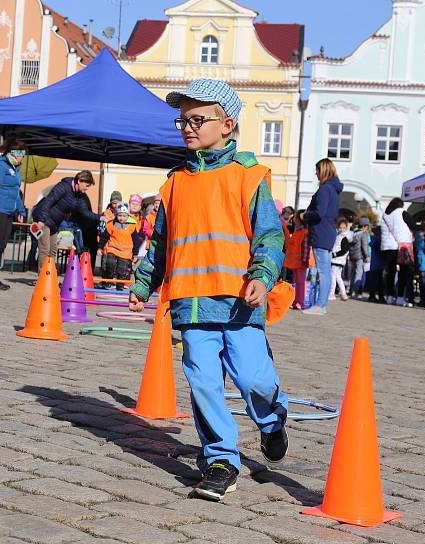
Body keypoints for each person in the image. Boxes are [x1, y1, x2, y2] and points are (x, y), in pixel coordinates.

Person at [129, 79, 288, 502]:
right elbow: (161, 242)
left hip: (240, 301)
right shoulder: (174, 183)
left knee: (254, 379)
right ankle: (220, 460)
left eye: (198, 119)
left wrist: (262, 275)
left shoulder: (249, 177)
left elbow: (270, 236)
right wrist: (144, 283)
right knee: (203, 385)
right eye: (183, 120)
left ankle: (272, 420)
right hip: (191, 303)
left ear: (228, 124)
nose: (188, 127)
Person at [32, 170, 104, 267]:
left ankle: (50, 276)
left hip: (54, 223)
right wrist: (41, 220)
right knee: (45, 248)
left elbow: (85, 212)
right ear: (79, 181)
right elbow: (48, 201)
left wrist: (100, 217)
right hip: (44, 219)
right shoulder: (64, 187)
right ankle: (42, 278)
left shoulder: (80, 196)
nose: (87, 188)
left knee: (53, 250)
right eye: (86, 185)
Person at [0, 138, 27, 290]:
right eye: (23, 154)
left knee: (2, 244)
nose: (24, 157)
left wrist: (21, 210)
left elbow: (16, 191)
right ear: (15, 154)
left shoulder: (14, 168)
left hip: (10, 210)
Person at [302, 158, 343, 315]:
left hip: (321, 232)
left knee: (324, 271)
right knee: (325, 270)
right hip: (327, 231)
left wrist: (305, 215)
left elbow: (319, 213)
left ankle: (320, 305)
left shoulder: (325, 189)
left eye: (318, 170)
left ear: (324, 171)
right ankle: (321, 304)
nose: (316, 174)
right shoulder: (333, 189)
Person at [379, 197, 414, 306]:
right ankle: (399, 297)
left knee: (390, 272)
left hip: (386, 247)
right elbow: (412, 224)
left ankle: (389, 297)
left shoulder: (385, 214)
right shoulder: (401, 212)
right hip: (400, 245)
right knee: (403, 272)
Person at [102, 203, 139, 289]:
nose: (122, 218)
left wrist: (135, 254)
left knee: (122, 269)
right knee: (110, 264)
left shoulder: (131, 226)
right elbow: (105, 236)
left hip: (125, 253)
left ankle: (120, 285)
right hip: (112, 249)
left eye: (124, 216)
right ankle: (108, 281)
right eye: (119, 216)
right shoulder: (111, 224)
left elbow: (136, 241)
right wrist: (100, 247)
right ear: (116, 215)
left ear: (128, 216)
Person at [283, 210, 310, 309]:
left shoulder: (304, 232)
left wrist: (304, 261)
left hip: (301, 262)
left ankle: (300, 302)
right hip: (296, 262)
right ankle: (297, 301)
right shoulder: (298, 231)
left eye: (296, 218)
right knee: (297, 281)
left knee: (301, 282)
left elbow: (306, 248)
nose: (294, 219)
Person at [348, 217, 370, 298]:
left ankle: (350, 290)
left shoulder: (353, 233)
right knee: (358, 274)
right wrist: (367, 256)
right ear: (364, 226)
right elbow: (365, 246)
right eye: (367, 226)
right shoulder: (363, 235)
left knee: (352, 274)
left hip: (352, 256)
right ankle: (355, 291)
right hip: (359, 256)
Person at [329, 218, 350, 301]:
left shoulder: (344, 238)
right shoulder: (338, 236)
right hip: (338, 260)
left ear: (346, 228)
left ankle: (332, 293)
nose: (341, 229)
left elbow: (345, 250)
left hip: (337, 260)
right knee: (338, 277)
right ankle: (343, 293)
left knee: (333, 276)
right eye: (340, 227)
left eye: (343, 228)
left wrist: (335, 254)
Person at [414, 225, 425, 308]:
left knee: (424, 284)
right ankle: (424, 300)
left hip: (424, 265)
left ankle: (424, 301)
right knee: (423, 283)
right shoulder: (421, 240)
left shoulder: (422, 241)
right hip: (423, 265)